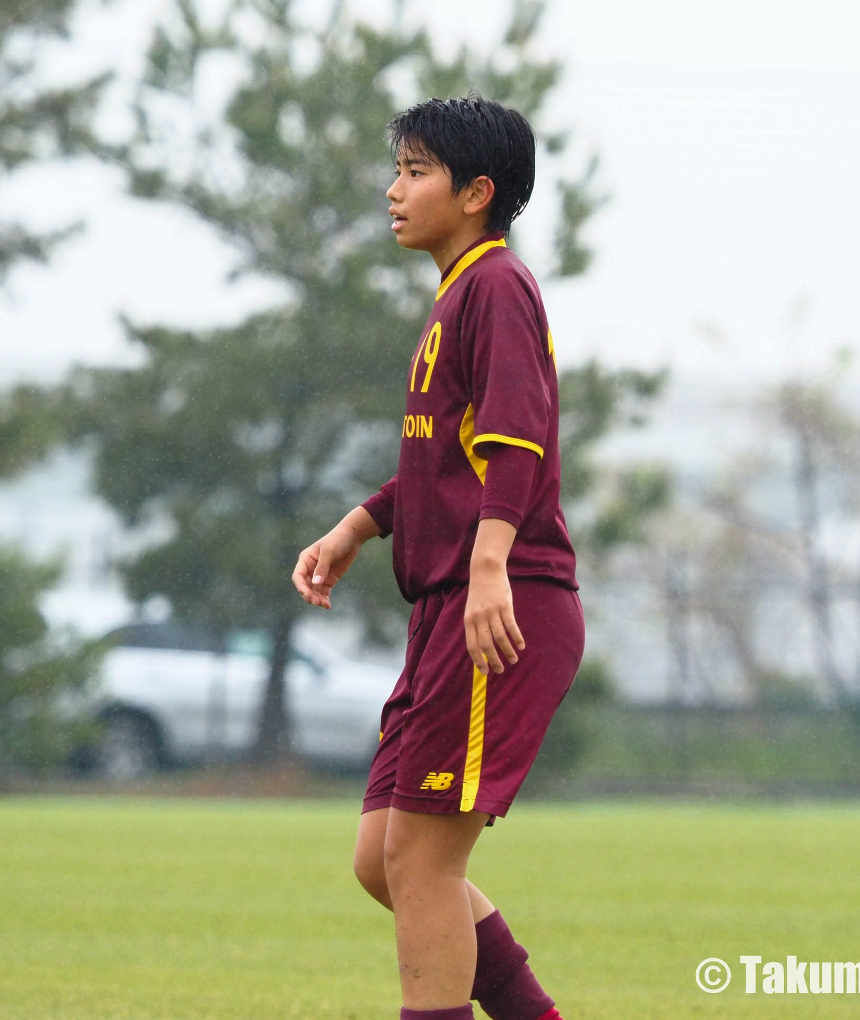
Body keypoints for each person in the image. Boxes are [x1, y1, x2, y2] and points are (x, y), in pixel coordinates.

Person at [292, 95, 583, 1020]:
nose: (394, 189)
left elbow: (516, 438)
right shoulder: (459, 293)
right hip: (450, 606)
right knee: (383, 859)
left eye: (417, 170)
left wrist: (492, 564)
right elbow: (447, 455)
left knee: (420, 858)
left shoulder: (498, 284)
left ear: (476, 192)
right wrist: (362, 524)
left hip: (497, 606)